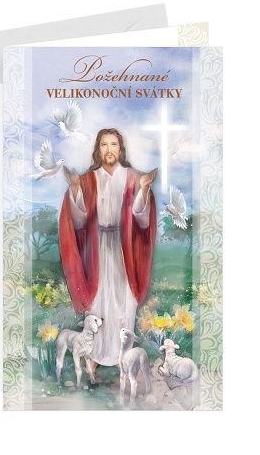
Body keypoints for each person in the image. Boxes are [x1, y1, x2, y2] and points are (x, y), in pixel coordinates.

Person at [58, 128, 157, 368]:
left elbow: (142, 220)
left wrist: (144, 189)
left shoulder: (134, 178)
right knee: (99, 300)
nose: (109, 149)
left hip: (124, 251)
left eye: (113, 144)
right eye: (104, 144)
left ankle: (123, 358)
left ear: (120, 149)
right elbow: (79, 221)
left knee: (124, 301)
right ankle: (94, 356)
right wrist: (75, 190)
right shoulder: (87, 180)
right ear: (98, 149)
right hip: (96, 249)